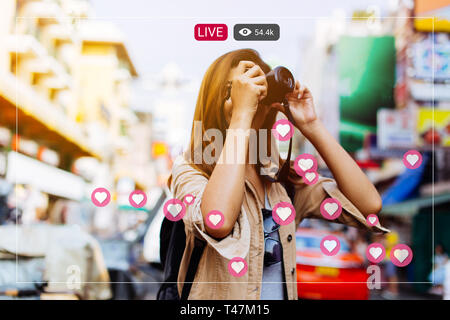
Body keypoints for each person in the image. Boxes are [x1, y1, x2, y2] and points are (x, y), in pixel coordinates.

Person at [169, 49, 387, 300]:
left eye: (258, 89)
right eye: (235, 88)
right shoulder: (191, 169)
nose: (248, 96)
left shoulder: (283, 184)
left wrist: (311, 125)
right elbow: (218, 222)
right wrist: (241, 116)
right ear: (214, 100)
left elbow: (369, 205)